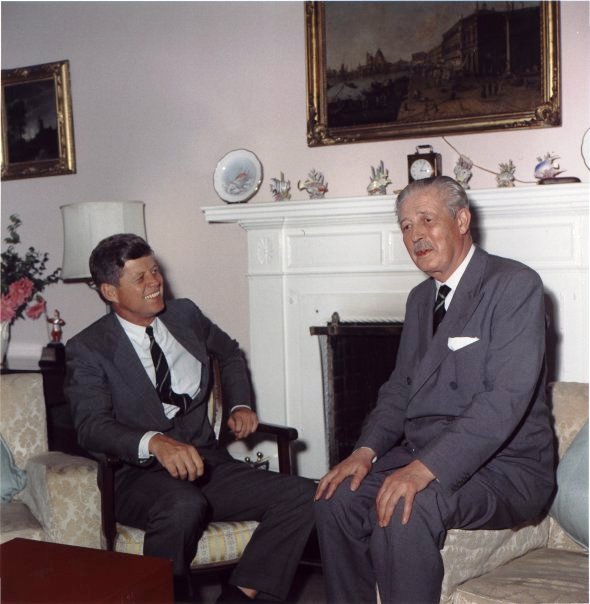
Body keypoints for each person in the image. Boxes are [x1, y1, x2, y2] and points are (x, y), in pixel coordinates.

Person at [314, 176, 555, 603]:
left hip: (508, 467)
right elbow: (400, 388)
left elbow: (505, 400)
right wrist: (364, 452)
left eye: (427, 219)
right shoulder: (419, 299)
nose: (416, 235)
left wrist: (424, 468)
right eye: (406, 226)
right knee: (337, 498)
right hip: (423, 453)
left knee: (409, 505)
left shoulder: (515, 285)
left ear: (462, 220)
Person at [64, 233, 315, 603]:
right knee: (184, 505)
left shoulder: (185, 315)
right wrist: (155, 442)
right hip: (137, 477)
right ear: (110, 291)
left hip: (208, 463)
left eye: (155, 271)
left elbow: (229, 353)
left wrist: (239, 405)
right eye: (140, 278)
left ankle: (239, 597)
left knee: (306, 495)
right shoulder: (88, 348)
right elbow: (91, 427)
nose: (155, 282)